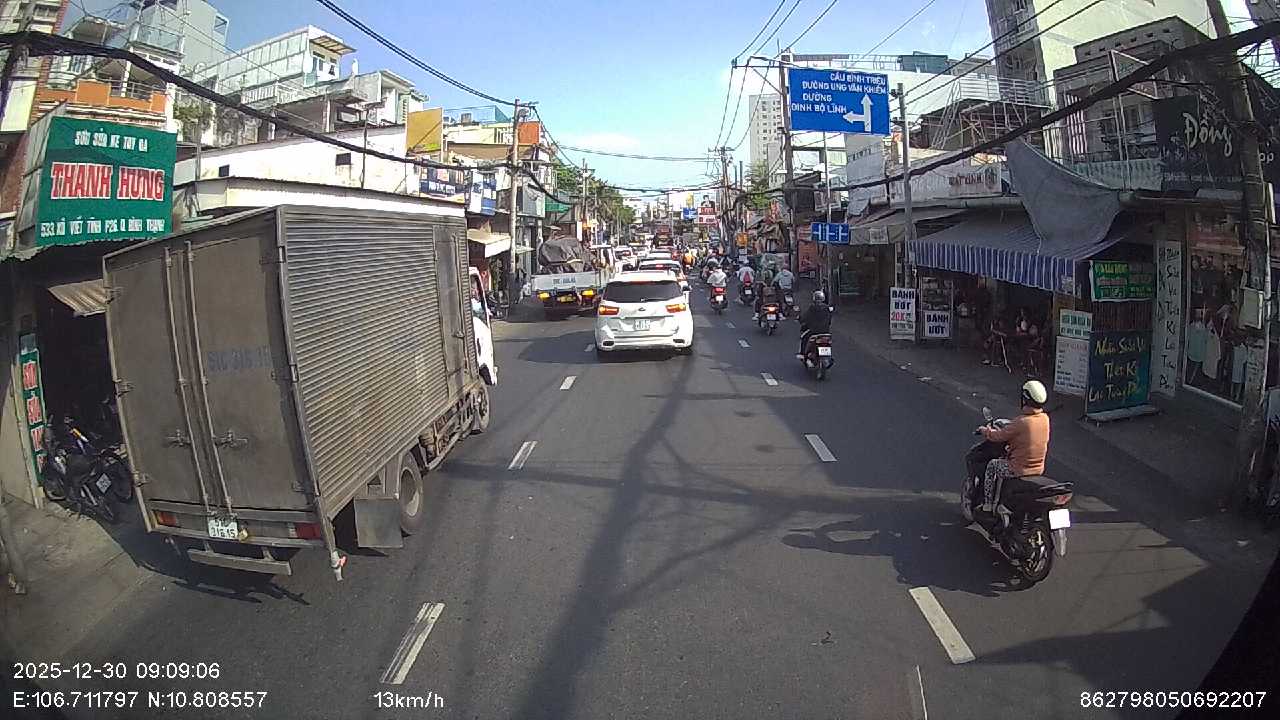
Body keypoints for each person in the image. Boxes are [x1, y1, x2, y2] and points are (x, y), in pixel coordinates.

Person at [977, 380, 1051, 513]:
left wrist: (984, 431)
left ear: (1025, 399)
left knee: (992, 465)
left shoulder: (1021, 422)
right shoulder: (1045, 419)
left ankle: (988, 504)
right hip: (1038, 468)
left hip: (1018, 469)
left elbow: (998, 436)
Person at [797, 290, 834, 358]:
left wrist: (800, 319)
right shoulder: (827, 308)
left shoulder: (812, 307)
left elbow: (805, 317)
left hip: (814, 330)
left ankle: (802, 353)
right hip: (826, 331)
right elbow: (829, 320)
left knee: (803, 337)